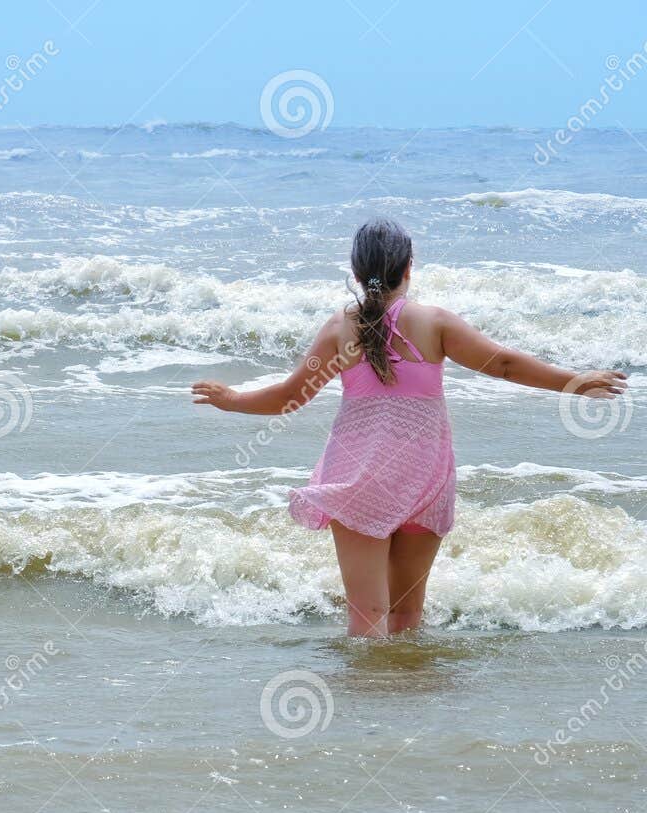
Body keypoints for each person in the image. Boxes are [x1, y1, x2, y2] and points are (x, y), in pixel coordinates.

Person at [191, 217, 627, 638]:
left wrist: (232, 402)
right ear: (408, 267)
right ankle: (407, 703)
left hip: (358, 477)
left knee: (368, 617)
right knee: (406, 614)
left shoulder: (340, 328)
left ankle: (368, 705)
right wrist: (570, 382)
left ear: (357, 273)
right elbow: (506, 365)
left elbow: (291, 397)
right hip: (424, 477)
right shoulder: (434, 323)